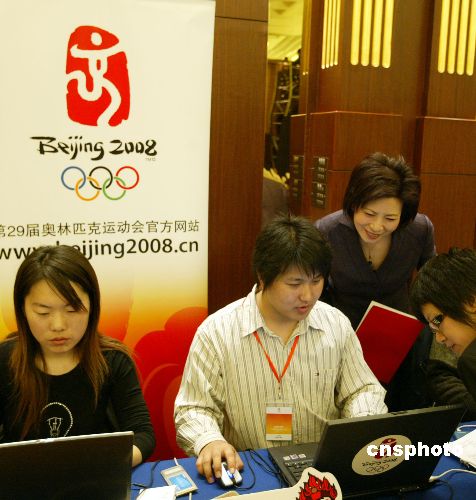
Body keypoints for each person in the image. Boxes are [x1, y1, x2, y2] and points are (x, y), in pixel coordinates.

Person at [174, 215, 387, 483]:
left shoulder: (335, 323)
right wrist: (209, 440)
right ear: (263, 277)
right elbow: (194, 408)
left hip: (322, 468)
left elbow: (361, 389)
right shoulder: (217, 331)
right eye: (295, 284)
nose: (307, 295)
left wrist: (361, 424)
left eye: (316, 281)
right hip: (251, 470)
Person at [0, 245, 155, 466]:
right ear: (22, 309)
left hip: (96, 476)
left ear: (92, 305)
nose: (58, 325)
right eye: (43, 312)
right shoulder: (5, 359)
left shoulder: (112, 361)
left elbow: (143, 435)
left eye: (72, 309)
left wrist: (107, 464)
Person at [314, 152, 439, 411]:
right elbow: (316, 293)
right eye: (369, 214)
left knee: (400, 409)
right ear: (353, 203)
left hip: (401, 341)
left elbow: (432, 283)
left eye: (390, 219)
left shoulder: (419, 230)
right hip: (344, 341)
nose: (377, 226)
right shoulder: (327, 232)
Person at [410, 248, 476, 406]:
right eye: (433, 330)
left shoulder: (471, 360)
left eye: (437, 321)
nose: (439, 338)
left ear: (471, 302)